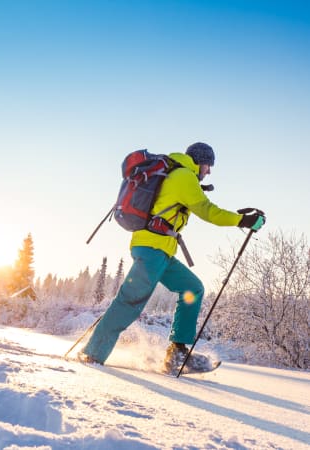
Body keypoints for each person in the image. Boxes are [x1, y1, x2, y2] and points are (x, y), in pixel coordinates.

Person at [80, 142, 265, 373]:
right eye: (208, 165)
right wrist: (242, 221)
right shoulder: (183, 177)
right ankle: (92, 355)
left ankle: (177, 352)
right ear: (199, 161)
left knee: (192, 288)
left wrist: (237, 217)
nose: (208, 171)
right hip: (152, 249)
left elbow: (203, 206)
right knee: (129, 303)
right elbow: (208, 211)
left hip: (161, 251)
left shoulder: (180, 176)